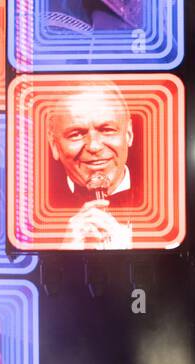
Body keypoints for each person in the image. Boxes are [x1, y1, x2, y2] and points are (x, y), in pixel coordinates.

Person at [47, 82, 137, 249]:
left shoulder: (174, 206)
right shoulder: (30, 220)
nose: (94, 146)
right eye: (76, 134)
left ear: (129, 134)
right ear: (53, 144)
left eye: (107, 130)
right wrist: (63, 256)